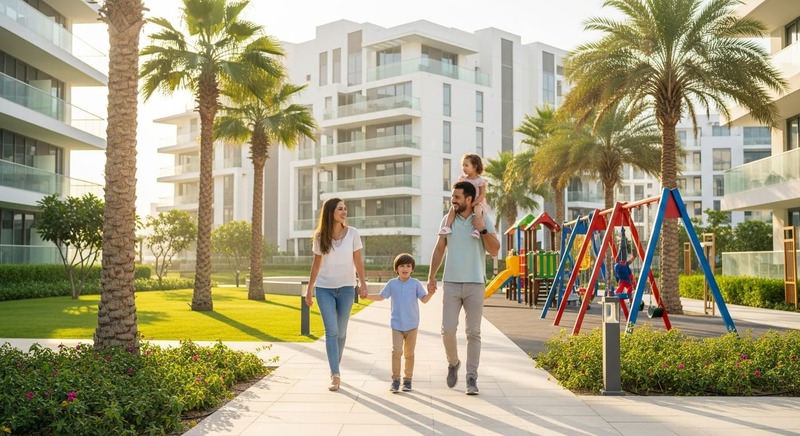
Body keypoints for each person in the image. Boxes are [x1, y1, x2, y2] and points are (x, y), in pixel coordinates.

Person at [427, 180, 500, 395]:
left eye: (457, 197)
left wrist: (483, 229)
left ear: (469, 199)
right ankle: (453, 363)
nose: (453, 201)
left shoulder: (483, 219)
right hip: (451, 283)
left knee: (473, 332)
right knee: (447, 330)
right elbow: (439, 249)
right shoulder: (447, 220)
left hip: (475, 283)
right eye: (452, 197)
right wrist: (432, 276)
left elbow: (495, 250)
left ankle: (471, 377)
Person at [305, 198, 368, 392]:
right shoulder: (319, 236)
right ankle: (335, 373)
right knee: (331, 332)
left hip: (347, 288)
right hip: (324, 289)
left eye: (345, 208)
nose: (344, 211)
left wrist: (363, 284)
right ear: (330, 212)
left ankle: (335, 366)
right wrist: (309, 290)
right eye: (340, 209)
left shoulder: (353, 234)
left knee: (341, 332)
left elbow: (358, 262)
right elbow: (316, 265)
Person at [363, 253, 435, 393]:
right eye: (402, 265)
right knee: (396, 352)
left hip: (412, 325)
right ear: (396, 268)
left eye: (408, 266)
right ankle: (396, 380)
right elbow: (381, 296)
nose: (405, 268)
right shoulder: (392, 284)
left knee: (409, 354)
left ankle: (407, 380)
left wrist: (431, 293)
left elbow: (424, 299)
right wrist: (367, 297)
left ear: (412, 269)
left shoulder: (415, 284)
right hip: (396, 325)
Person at [439, 153, 489, 239]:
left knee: (477, 210)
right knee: (453, 208)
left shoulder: (480, 181)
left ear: (474, 167)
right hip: (464, 203)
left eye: (466, 165)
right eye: (463, 165)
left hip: (477, 202)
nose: (463, 168)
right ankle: (447, 226)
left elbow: (482, 194)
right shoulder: (463, 179)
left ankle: (477, 230)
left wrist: (474, 203)